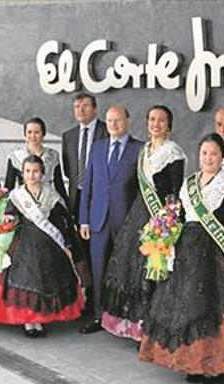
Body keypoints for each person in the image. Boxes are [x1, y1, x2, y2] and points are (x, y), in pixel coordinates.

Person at [139, 133, 224, 381]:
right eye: (204, 153)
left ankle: (212, 363)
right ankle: (190, 361)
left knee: (213, 307)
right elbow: (180, 218)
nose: (208, 158)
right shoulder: (188, 183)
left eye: (214, 154)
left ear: (222, 157)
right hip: (188, 252)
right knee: (186, 305)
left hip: (218, 253)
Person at [100, 105, 185, 340]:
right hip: (138, 213)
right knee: (132, 268)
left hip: (160, 218)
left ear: (169, 125)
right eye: (152, 119)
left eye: (161, 120)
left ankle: (152, 328)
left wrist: (168, 222)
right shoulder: (144, 150)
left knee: (153, 270)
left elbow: (175, 191)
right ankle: (135, 325)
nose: (156, 124)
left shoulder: (173, 152)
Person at [0, 155, 84, 337]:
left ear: (42, 173)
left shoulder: (51, 194)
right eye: (28, 171)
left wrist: (66, 244)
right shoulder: (16, 195)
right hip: (23, 241)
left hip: (48, 242)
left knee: (45, 278)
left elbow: (60, 220)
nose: (31, 175)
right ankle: (29, 321)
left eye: (35, 171)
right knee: (26, 277)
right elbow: (9, 216)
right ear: (22, 173)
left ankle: (39, 320)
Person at [77, 106, 144, 334]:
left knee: (126, 271)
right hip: (97, 221)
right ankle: (99, 316)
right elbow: (88, 186)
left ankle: (125, 319)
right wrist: (84, 219)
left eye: (118, 120)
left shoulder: (139, 149)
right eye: (109, 120)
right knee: (99, 270)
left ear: (128, 120)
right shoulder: (97, 148)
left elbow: (142, 191)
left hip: (127, 222)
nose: (114, 124)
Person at [61, 93, 107, 218]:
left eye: (85, 106)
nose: (80, 110)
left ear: (95, 109)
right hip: (76, 196)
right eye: (77, 107)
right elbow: (67, 169)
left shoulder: (108, 132)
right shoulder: (68, 136)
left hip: (100, 195)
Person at [5, 117, 68, 203]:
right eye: (29, 132)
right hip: (24, 204)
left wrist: (67, 207)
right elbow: (9, 186)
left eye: (37, 132)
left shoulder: (53, 155)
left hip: (47, 202)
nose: (33, 136)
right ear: (25, 134)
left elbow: (59, 185)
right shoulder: (15, 156)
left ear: (43, 134)